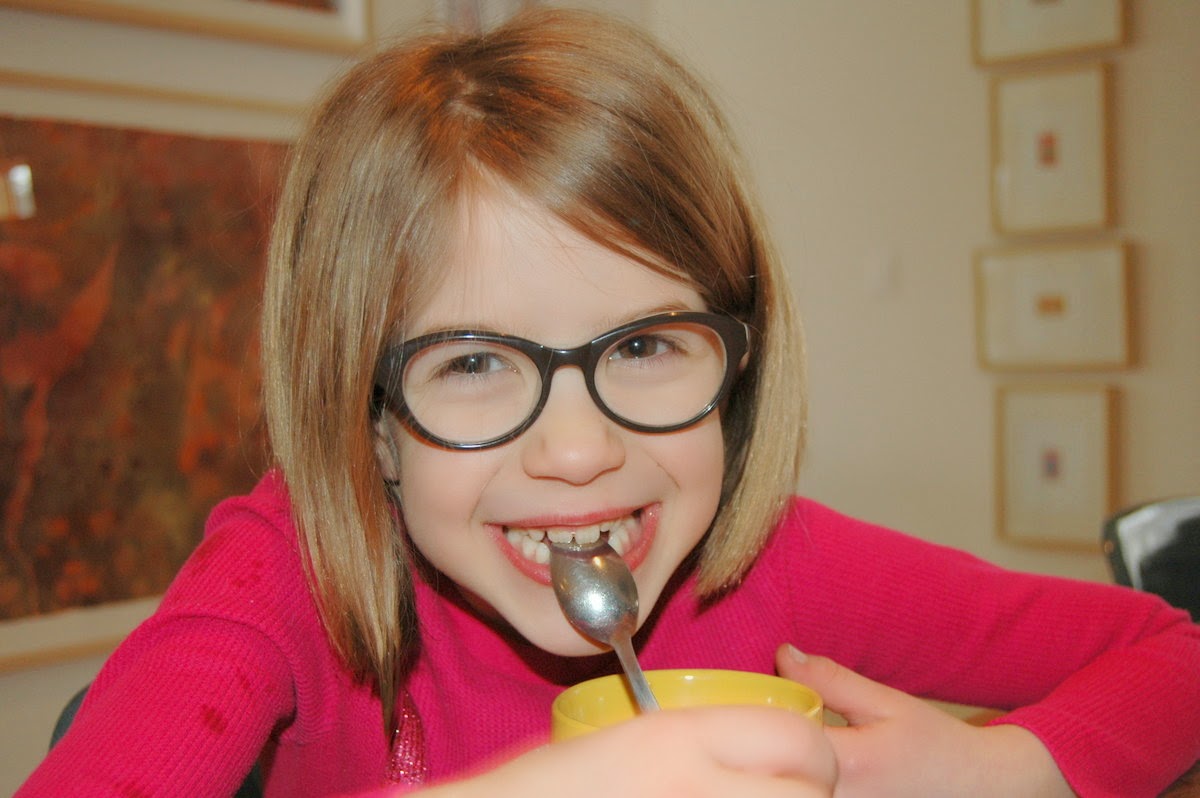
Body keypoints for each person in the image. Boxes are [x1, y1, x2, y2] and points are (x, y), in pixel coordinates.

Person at [18, 8, 1200, 798]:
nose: (580, 451)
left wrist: (1008, 770)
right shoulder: (284, 583)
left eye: (643, 345)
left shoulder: (769, 567)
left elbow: (1172, 653)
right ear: (368, 416)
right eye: (471, 364)